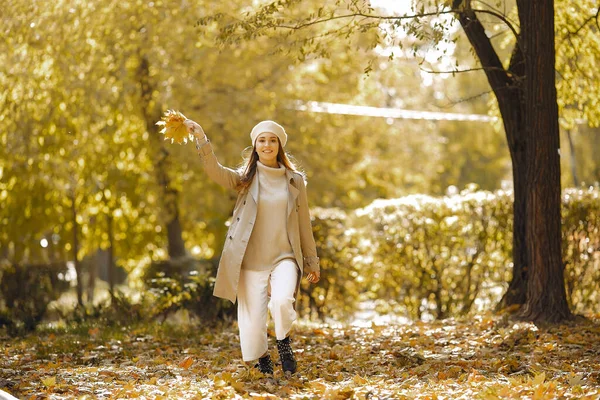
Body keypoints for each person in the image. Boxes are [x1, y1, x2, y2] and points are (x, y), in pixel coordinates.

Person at [184, 119, 321, 376]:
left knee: (281, 301)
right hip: (250, 258)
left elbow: (304, 224)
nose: (267, 145)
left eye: (272, 140)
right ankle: (263, 359)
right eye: (262, 140)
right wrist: (201, 137)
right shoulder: (245, 179)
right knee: (253, 320)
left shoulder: (295, 181)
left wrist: (312, 261)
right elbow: (215, 170)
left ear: (279, 145)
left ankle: (283, 343)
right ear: (255, 146)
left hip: (285, 256)